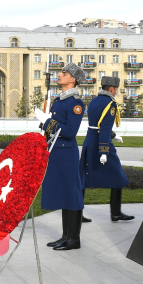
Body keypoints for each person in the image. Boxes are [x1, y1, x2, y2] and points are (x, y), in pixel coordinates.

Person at [35, 63, 88, 251]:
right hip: (56, 152)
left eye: (64, 73)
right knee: (66, 195)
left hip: (66, 153)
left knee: (72, 195)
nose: (60, 74)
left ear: (72, 79)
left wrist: (48, 122)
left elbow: (70, 131)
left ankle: (74, 239)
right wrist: (44, 123)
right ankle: (66, 236)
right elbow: (53, 128)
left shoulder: (75, 103)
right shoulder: (59, 100)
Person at [79, 76, 134, 222]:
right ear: (111, 89)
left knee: (83, 178)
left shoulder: (94, 101)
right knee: (119, 177)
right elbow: (103, 128)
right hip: (101, 142)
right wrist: (104, 151)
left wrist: (114, 135)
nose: (116, 92)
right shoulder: (111, 104)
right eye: (116, 90)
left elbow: (97, 124)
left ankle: (77, 214)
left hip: (89, 141)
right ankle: (115, 213)